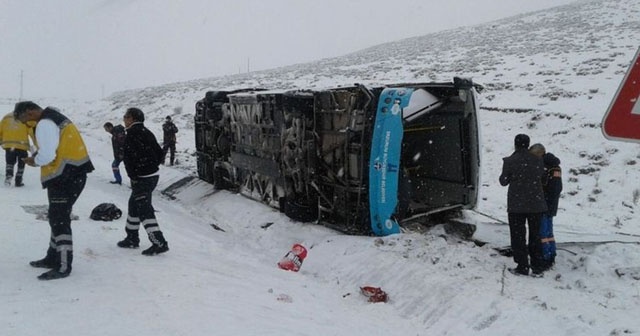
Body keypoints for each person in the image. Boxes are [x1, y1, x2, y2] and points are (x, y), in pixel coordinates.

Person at [13, 101, 94, 280]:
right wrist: (37, 156)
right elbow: (56, 146)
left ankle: (63, 265)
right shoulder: (52, 119)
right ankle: (52, 257)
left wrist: (35, 161)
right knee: (56, 217)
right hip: (73, 173)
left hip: (65, 176)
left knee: (59, 219)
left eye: (25, 120)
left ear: (30, 111)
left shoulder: (45, 123)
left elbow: (49, 154)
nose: (27, 125)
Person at [118, 107, 169, 255]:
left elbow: (128, 159)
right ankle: (132, 238)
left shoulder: (132, 135)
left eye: (125, 116)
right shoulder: (147, 132)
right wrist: (152, 166)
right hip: (152, 175)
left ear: (132, 118)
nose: (124, 119)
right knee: (134, 205)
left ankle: (159, 242)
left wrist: (134, 175)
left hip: (142, 178)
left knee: (144, 209)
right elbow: (160, 153)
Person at [499, 134, 548, 277]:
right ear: (528, 144)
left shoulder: (510, 161)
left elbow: (503, 181)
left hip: (516, 206)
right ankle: (537, 266)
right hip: (536, 205)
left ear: (515, 144)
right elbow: (542, 177)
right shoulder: (538, 160)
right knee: (535, 235)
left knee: (518, 236)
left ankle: (522, 266)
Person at [529, 143, 562, 271]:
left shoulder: (546, 168)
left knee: (542, 233)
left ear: (539, 153)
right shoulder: (555, 167)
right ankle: (551, 254)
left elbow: (550, 187)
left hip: (544, 205)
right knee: (548, 232)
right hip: (551, 204)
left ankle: (545, 256)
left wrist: (542, 200)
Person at [0, 111, 36, 187]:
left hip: (9, 145)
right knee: (21, 163)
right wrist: (36, 144)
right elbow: (32, 132)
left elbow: (0, 130)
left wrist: (1, 141)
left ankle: (8, 176)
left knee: (9, 162)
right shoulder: (26, 118)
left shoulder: (6, 117)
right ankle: (18, 180)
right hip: (22, 146)